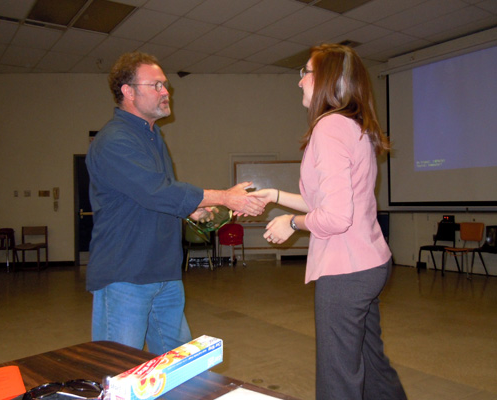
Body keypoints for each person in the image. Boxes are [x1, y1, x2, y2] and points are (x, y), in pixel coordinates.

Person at [250, 44, 407, 399]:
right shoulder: (351, 125)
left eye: (305, 73)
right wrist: (274, 195)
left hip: (345, 271)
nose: (300, 82)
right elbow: (324, 202)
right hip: (370, 263)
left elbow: (335, 216)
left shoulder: (329, 127)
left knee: (338, 376)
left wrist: (292, 223)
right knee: (372, 364)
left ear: (327, 79)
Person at [85, 51, 265, 356]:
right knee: (118, 368)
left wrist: (192, 208)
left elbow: (152, 197)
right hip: (125, 275)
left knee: (179, 365)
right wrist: (224, 196)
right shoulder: (114, 140)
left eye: (165, 85)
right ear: (128, 91)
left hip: (164, 273)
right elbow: (155, 191)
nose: (165, 92)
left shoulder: (153, 137)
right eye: (155, 85)